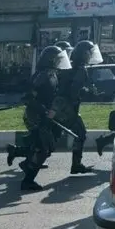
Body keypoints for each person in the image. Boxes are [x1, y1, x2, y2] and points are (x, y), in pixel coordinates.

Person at [18, 46, 72, 191]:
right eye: (58, 59)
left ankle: (25, 163)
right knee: (43, 149)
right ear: (51, 60)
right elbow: (28, 98)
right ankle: (27, 181)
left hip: (46, 116)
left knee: (45, 147)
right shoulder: (42, 76)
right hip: (36, 116)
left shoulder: (52, 73)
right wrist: (44, 110)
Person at [56, 40, 103, 174]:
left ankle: (18, 151)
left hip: (61, 106)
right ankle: (76, 165)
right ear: (83, 54)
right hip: (68, 108)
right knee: (80, 133)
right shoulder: (81, 70)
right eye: (89, 53)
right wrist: (90, 93)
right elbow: (74, 91)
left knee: (53, 137)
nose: (90, 56)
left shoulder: (70, 66)